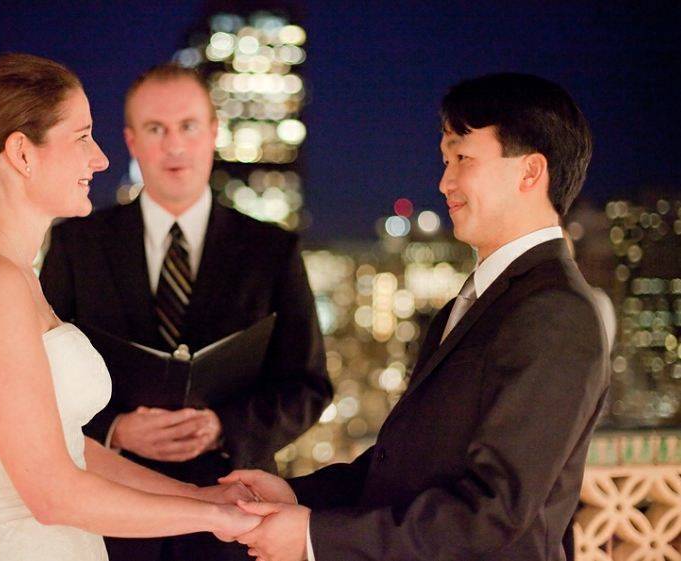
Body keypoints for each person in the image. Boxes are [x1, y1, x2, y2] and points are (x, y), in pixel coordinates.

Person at [0, 53, 260, 561]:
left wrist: (199, 495)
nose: (99, 159)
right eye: (82, 136)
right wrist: (215, 519)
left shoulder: (11, 275)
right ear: (22, 153)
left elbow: (71, 451)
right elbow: (52, 493)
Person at [224, 73, 610, 561]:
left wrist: (312, 539)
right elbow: (409, 464)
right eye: (445, 160)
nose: (444, 181)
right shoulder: (477, 300)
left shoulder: (554, 311)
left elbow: (492, 514)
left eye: (463, 158)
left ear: (530, 172)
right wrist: (299, 497)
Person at [39, 63, 333, 561]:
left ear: (214, 133)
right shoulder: (76, 243)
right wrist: (115, 429)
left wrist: (224, 426)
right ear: (132, 141)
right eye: (156, 129)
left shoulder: (272, 249)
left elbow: (308, 386)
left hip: (236, 516)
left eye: (188, 126)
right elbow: (42, 380)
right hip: (113, 519)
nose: (173, 145)